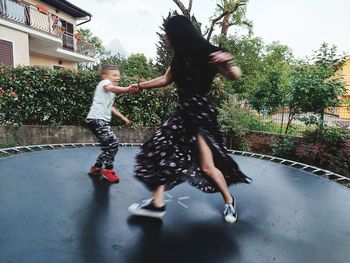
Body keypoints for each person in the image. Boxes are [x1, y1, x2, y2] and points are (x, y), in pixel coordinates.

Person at [128, 15, 251, 223]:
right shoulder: (178, 59)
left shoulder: (210, 51)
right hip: (182, 115)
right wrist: (139, 86)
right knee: (158, 150)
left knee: (207, 167)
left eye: (167, 36)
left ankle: (229, 201)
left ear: (177, 35)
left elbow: (236, 75)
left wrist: (227, 64)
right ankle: (157, 205)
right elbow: (165, 80)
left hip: (201, 117)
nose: (166, 40)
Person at [85, 64, 137, 182]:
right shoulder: (104, 84)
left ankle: (97, 167)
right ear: (104, 76)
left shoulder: (110, 94)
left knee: (107, 147)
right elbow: (111, 88)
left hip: (99, 121)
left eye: (118, 75)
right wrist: (128, 89)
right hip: (97, 119)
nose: (117, 77)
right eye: (114, 75)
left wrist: (124, 118)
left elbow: (111, 108)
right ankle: (108, 169)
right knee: (113, 144)